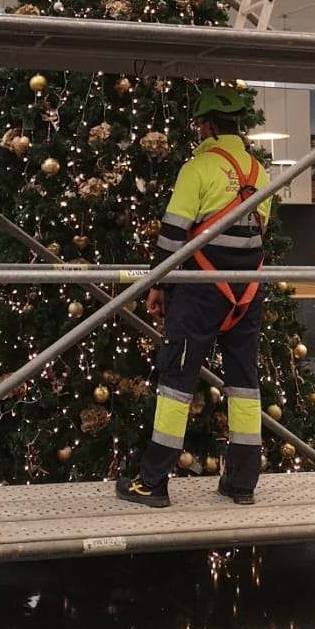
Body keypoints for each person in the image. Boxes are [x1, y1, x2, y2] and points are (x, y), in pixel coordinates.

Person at [115, 85, 271, 509]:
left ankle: (153, 482)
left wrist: (162, 289)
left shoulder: (197, 168)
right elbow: (256, 237)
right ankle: (241, 484)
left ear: (205, 125)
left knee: (176, 383)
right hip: (248, 294)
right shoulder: (261, 172)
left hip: (200, 292)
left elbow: (171, 240)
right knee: (244, 386)